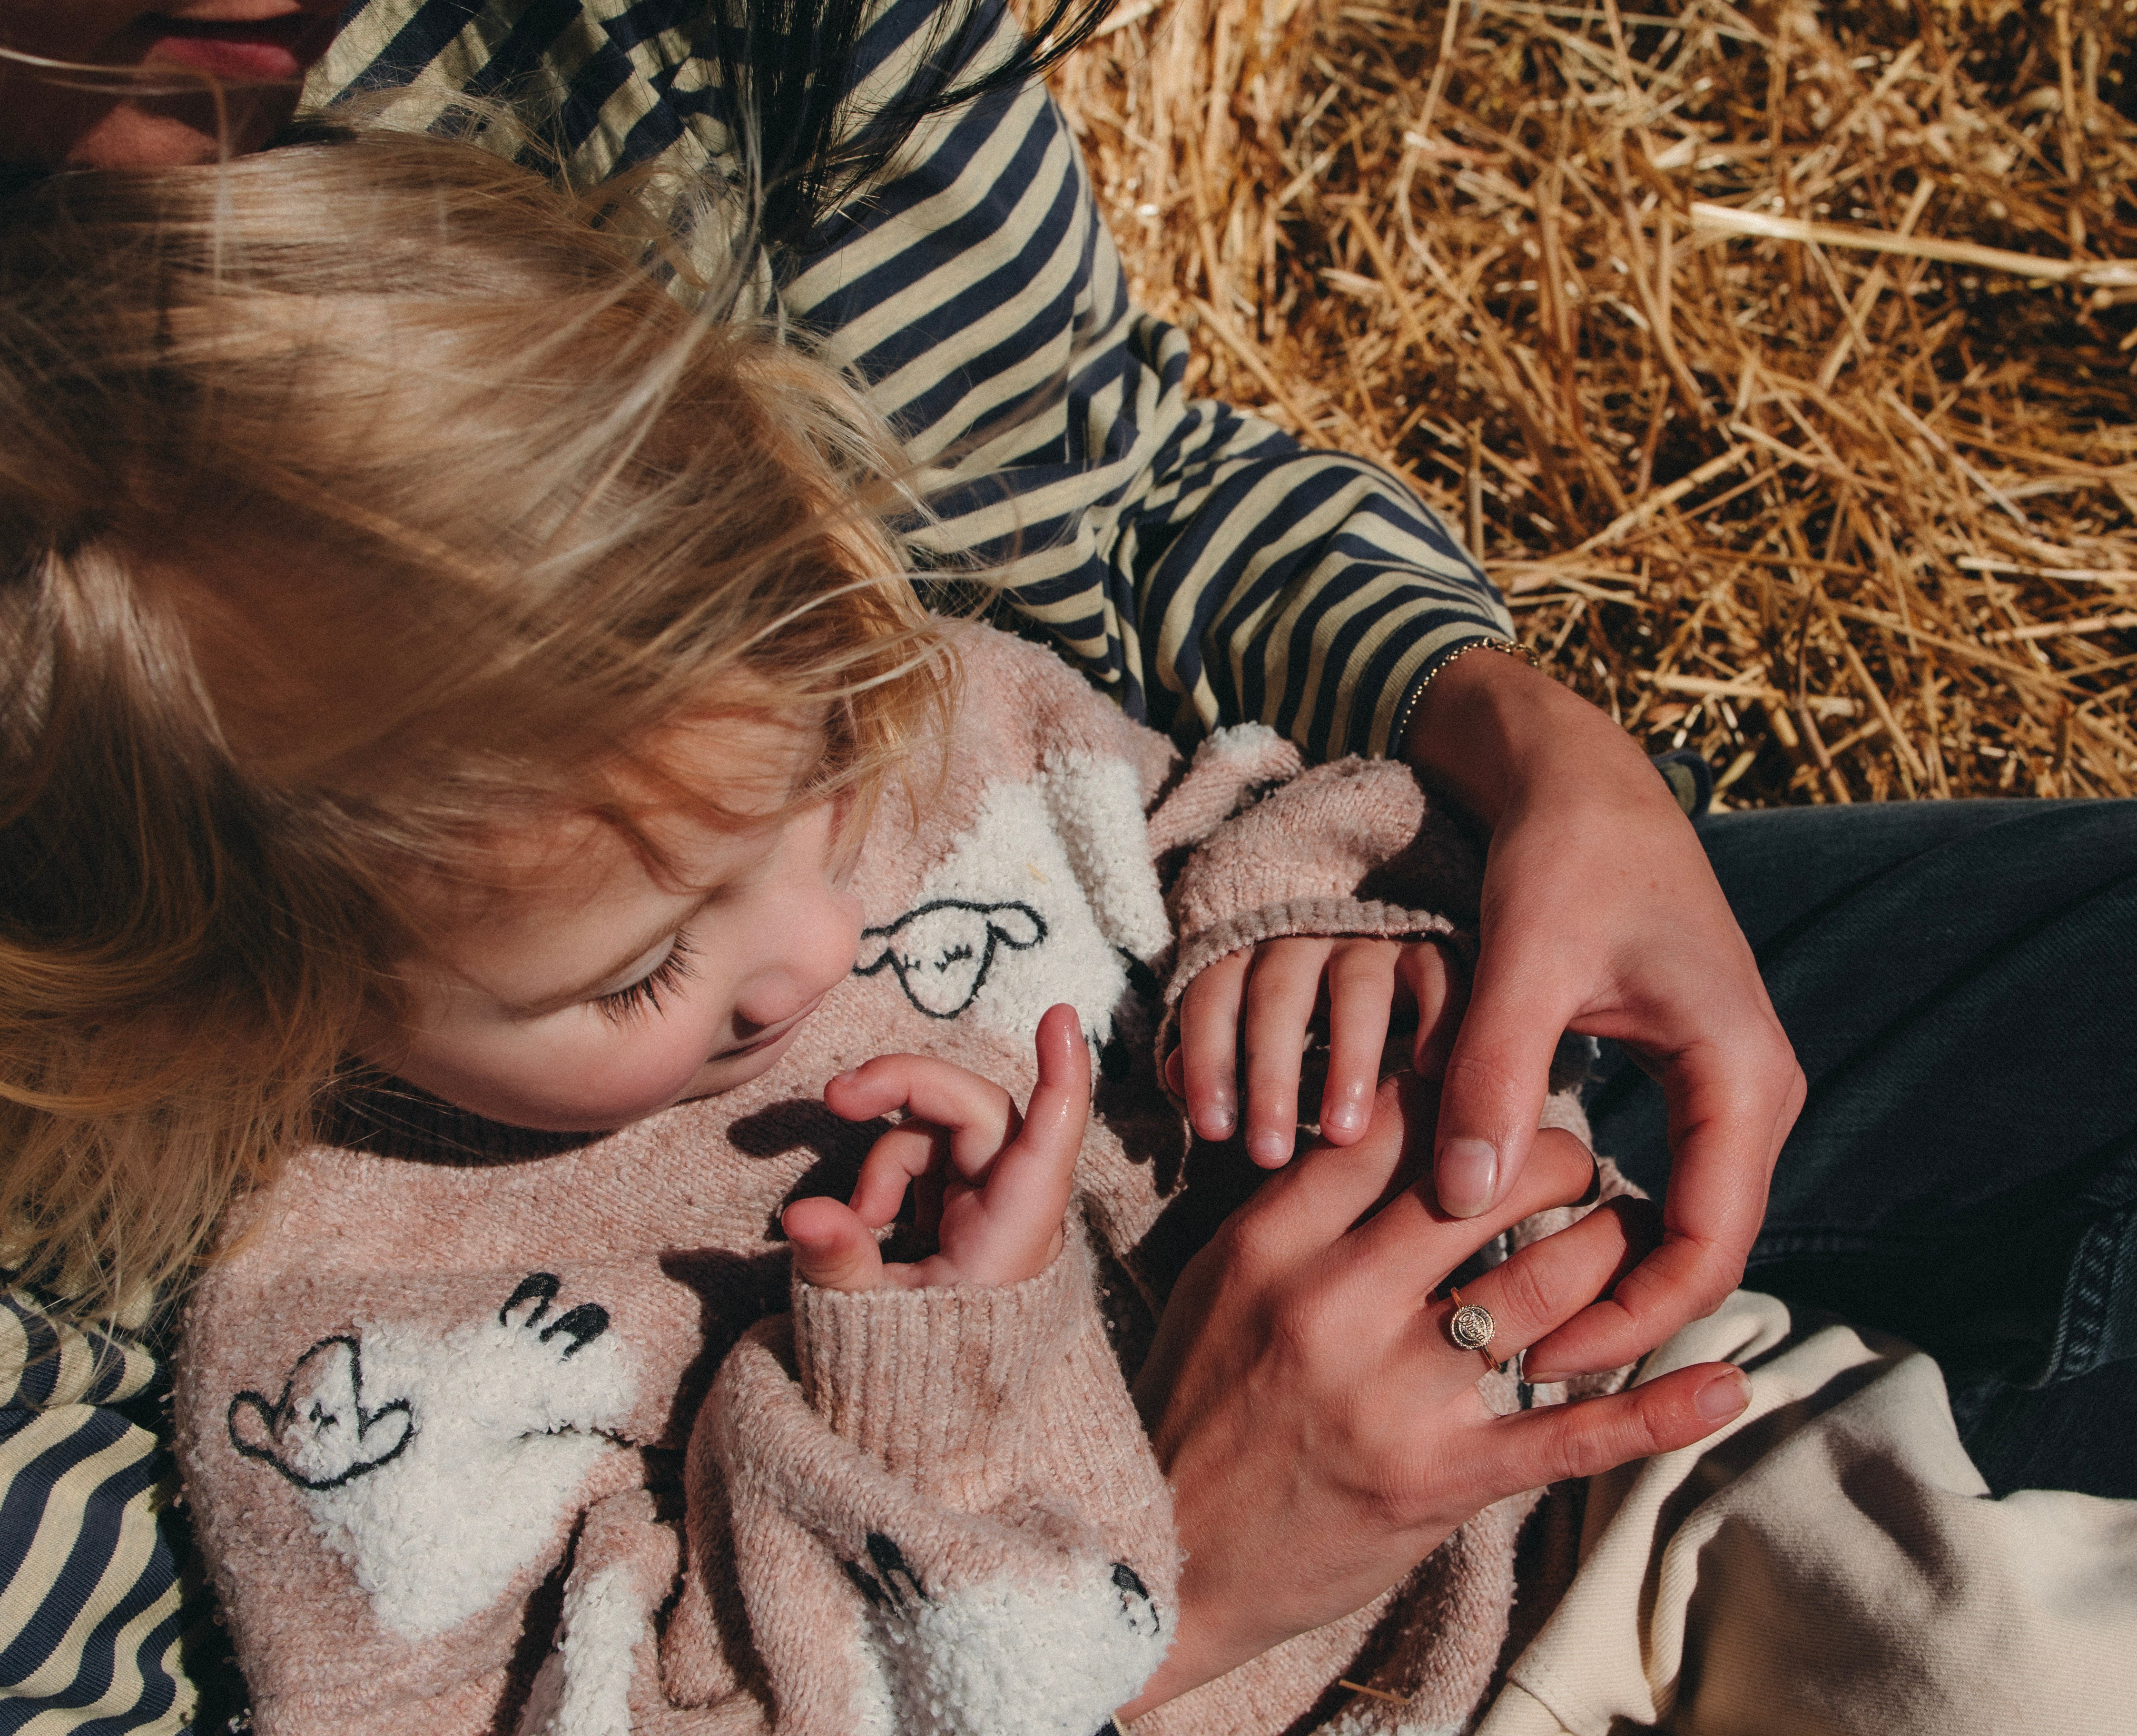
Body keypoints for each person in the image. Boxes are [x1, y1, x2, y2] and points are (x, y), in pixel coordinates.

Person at [8, 127, 1740, 1732]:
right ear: (262, 1004)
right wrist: (940, 1413)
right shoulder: (360, 1353)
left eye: (827, 763)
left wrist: (1315, 933)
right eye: (642, 971)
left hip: (1646, 1478)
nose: (820, 941)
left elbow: (1225, 805)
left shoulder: (941, 730)